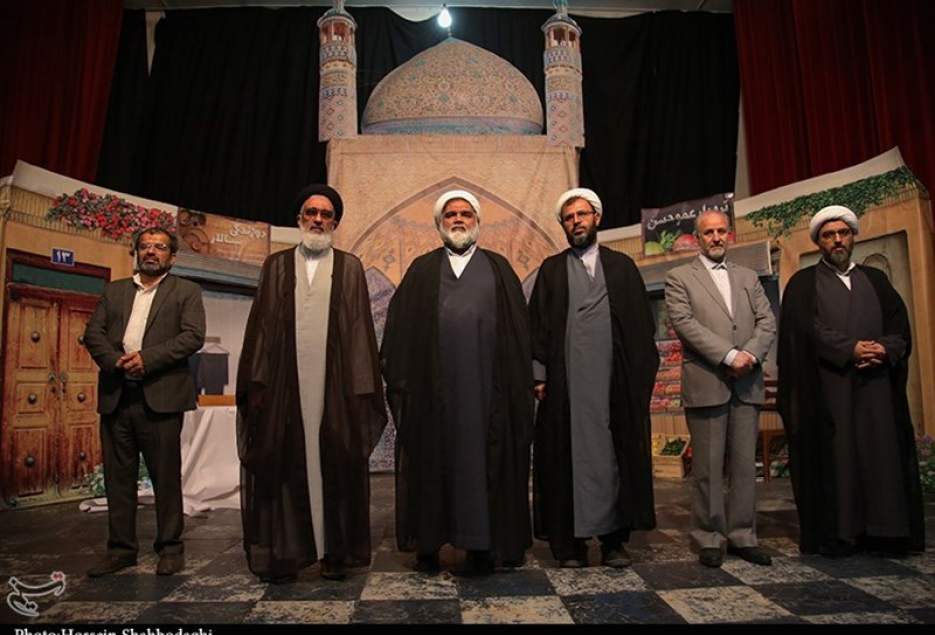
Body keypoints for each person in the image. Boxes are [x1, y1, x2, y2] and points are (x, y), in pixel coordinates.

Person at [237, 184, 387, 583]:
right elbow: (262, 328)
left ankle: (334, 553)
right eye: (311, 213)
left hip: (334, 390)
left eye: (325, 214)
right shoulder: (276, 265)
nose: (318, 220)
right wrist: (258, 384)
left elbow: (358, 330)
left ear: (334, 222)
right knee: (285, 465)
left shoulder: (349, 266)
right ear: (299, 219)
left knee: (334, 465)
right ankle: (290, 551)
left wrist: (360, 389)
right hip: (284, 388)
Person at [381, 189, 534, 576]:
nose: (459, 219)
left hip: (488, 396)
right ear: (439, 223)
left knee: (485, 465)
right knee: (431, 463)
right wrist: (404, 381)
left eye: (466, 213)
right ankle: (429, 545)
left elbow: (519, 334)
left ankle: (481, 545)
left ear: (477, 222)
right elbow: (398, 332)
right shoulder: (421, 270)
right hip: (432, 394)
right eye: (451, 214)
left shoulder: (499, 268)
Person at [777, 205, 924, 558]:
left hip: (876, 388)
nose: (837, 240)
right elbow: (804, 331)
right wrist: (850, 349)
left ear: (853, 237)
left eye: (843, 233)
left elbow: (899, 326)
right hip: (831, 389)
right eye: (829, 235)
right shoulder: (803, 284)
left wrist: (884, 349)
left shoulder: (876, 280)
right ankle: (843, 533)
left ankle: (885, 532)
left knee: (881, 454)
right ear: (819, 242)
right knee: (840, 459)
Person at [529, 188, 659, 568]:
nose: (576, 222)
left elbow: (641, 327)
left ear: (596, 218)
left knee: (615, 455)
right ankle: (572, 544)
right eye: (569, 218)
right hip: (565, 388)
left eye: (582, 215)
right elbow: (536, 326)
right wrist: (539, 375)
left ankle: (613, 541)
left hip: (613, 386)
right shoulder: (552, 270)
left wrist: (636, 378)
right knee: (565, 460)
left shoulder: (622, 268)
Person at [84, 226, 205, 577]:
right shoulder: (114, 291)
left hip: (161, 397)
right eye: (146, 246)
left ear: (172, 256)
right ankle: (121, 550)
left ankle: (170, 548)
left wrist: (147, 359)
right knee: (117, 479)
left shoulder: (186, 291)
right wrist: (115, 361)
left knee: (165, 478)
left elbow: (192, 336)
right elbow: (93, 333)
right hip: (117, 395)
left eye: (160, 247)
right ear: (136, 252)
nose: (151, 251)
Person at [665, 209, 776, 568]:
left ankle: (743, 535)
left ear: (730, 235)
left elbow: (767, 320)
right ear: (697, 238)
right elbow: (684, 323)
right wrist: (729, 355)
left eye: (721, 231)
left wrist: (750, 355)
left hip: (747, 380)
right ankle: (709, 537)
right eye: (708, 232)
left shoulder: (748, 276)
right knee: (708, 468)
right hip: (707, 381)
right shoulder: (679, 277)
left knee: (745, 467)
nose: (715, 237)